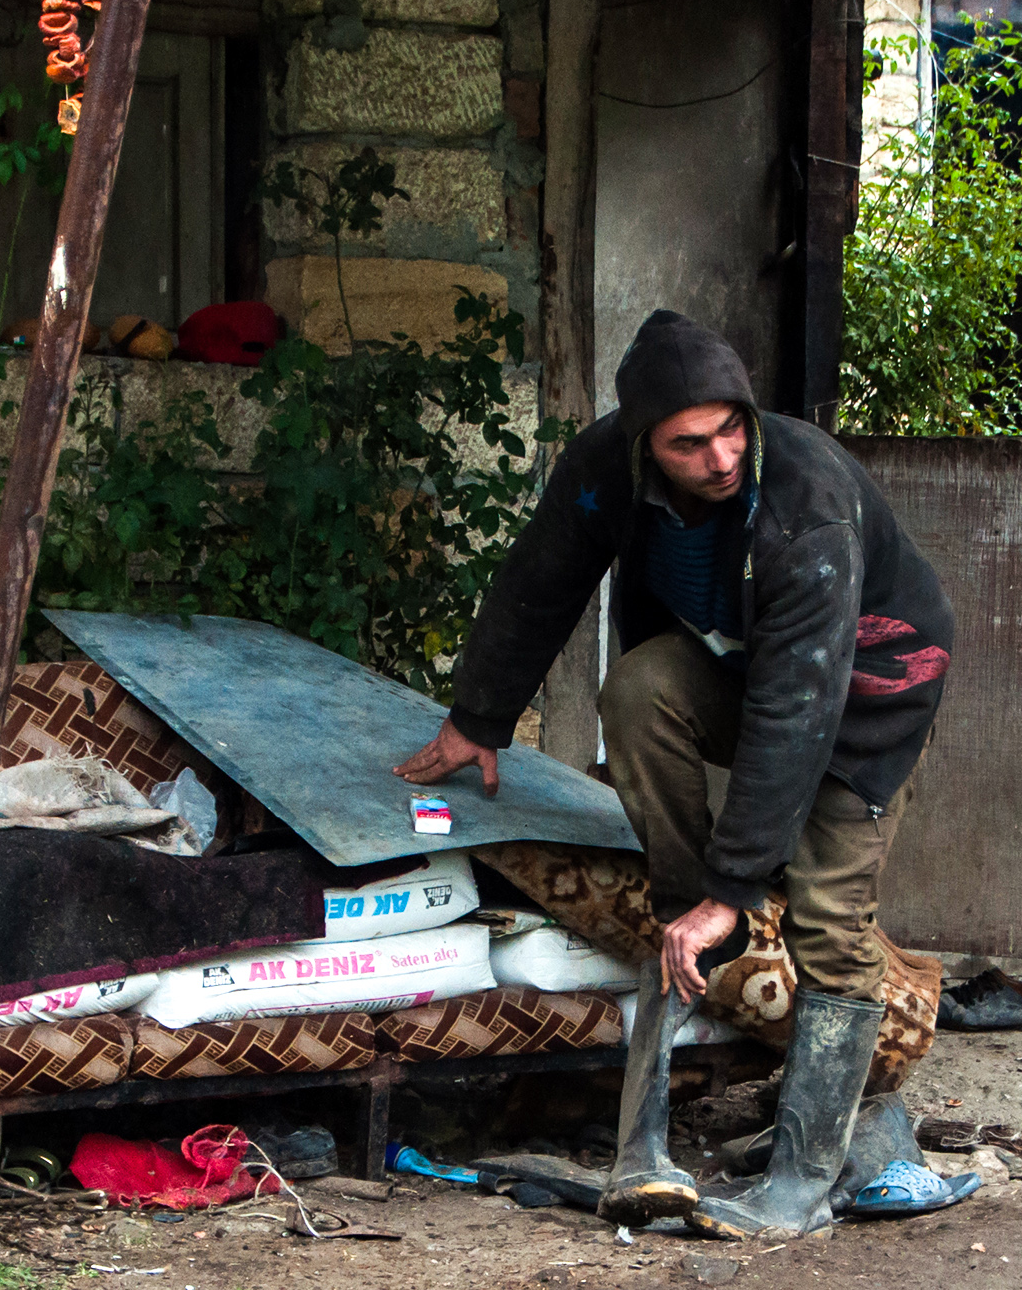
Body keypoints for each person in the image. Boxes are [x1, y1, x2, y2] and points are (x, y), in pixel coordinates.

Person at [395, 311, 953, 1239]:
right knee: (643, 685)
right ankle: (687, 915)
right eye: (691, 443)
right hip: (742, 667)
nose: (722, 456)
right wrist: (478, 719)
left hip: (866, 695)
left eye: (732, 429)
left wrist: (741, 885)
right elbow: (544, 572)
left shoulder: (804, 503)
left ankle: (802, 1184)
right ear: (646, 444)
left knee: (827, 911)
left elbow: (795, 714)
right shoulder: (606, 469)